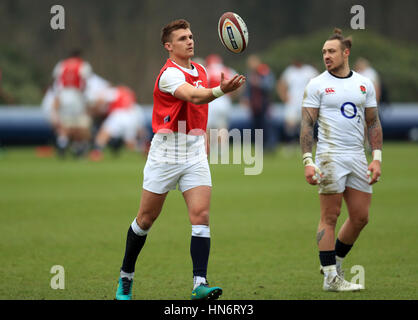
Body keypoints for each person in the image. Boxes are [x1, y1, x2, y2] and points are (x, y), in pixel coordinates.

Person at [114, 19, 245, 300]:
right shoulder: (168, 75)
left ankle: (199, 283)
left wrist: (223, 91)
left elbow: (202, 104)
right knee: (145, 220)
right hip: (165, 154)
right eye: (183, 38)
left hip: (194, 152)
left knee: (201, 217)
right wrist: (221, 90)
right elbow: (194, 97)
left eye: (191, 36)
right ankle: (126, 276)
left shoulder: (199, 69)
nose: (190, 40)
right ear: (168, 46)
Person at [300, 28, 383, 292]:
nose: (326, 55)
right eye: (324, 51)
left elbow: (374, 122)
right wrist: (307, 160)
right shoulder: (316, 84)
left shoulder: (364, 83)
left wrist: (376, 158)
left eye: (332, 51)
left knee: (360, 217)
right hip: (329, 156)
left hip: (358, 157)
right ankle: (331, 278)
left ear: (346, 53)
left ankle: (332, 264)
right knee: (330, 215)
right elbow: (306, 124)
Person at [51, 49, 93, 157]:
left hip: (63, 95)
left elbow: (56, 81)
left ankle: (62, 143)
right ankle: (78, 147)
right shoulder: (83, 65)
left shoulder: (61, 65)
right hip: (76, 95)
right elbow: (87, 81)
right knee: (80, 124)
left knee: (64, 124)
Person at [88, 85, 147, 161]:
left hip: (119, 115)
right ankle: (144, 150)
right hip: (131, 116)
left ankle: (96, 153)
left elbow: (101, 98)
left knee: (103, 134)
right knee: (130, 143)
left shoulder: (116, 91)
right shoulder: (131, 96)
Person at [277, 59, 318, 151]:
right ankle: (290, 143)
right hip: (293, 102)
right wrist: (284, 97)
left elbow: (318, 82)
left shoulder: (309, 70)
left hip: (306, 101)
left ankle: (309, 143)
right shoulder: (290, 71)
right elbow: (281, 84)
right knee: (290, 124)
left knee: (307, 124)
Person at [241, 54, 276, 152]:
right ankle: (260, 146)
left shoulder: (265, 71)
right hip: (254, 104)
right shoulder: (249, 74)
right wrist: (245, 98)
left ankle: (270, 145)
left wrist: (259, 83)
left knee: (266, 124)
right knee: (256, 125)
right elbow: (247, 89)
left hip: (264, 103)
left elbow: (270, 86)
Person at [205, 54, 237, 155]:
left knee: (208, 127)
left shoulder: (206, 70)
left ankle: (210, 149)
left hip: (212, 99)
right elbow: (238, 84)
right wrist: (231, 97)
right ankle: (222, 150)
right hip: (224, 100)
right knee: (222, 127)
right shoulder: (228, 70)